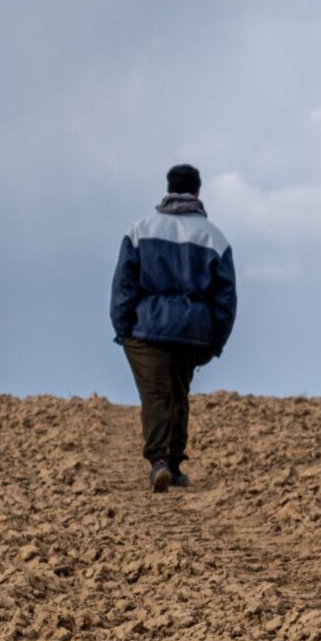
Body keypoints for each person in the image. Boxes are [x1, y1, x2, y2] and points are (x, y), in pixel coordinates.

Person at [109, 164, 237, 492]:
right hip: (194, 331)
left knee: (155, 396)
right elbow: (225, 297)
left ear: (168, 189)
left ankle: (158, 462)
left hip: (147, 328)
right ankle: (176, 465)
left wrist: (123, 329)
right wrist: (216, 341)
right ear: (197, 192)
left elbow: (124, 285)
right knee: (179, 393)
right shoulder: (214, 237)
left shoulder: (140, 229)